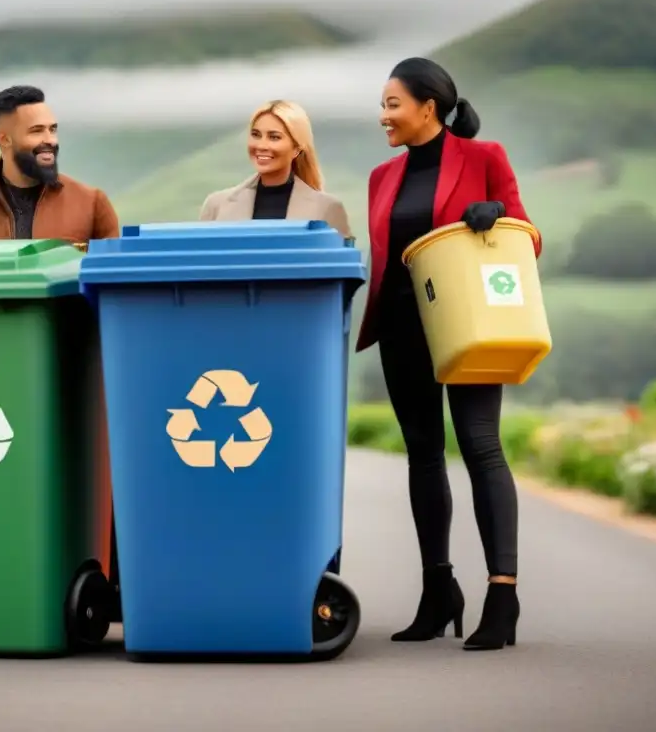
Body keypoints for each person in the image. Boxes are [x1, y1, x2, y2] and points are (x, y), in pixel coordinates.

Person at [354, 57, 541, 651]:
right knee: (423, 456)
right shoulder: (382, 177)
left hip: (467, 322)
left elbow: (527, 236)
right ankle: (439, 590)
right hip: (403, 325)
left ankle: (503, 596)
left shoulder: (485, 159)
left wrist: (500, 217)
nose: (383, 115)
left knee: (481, 445)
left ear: (427, 108)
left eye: (392, 104)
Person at [0, 85, 120, 243]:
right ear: (5, 139)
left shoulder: (92, 203)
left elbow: (113, 276)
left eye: (52, 129)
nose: (50, 140)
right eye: (36, 131)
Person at [198, 99, 352, 236]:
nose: (261, 145)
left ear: (297, 148)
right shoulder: (216, 205)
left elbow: (339, 267)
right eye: (256, 135)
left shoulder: (327, 208)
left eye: (274, 137)